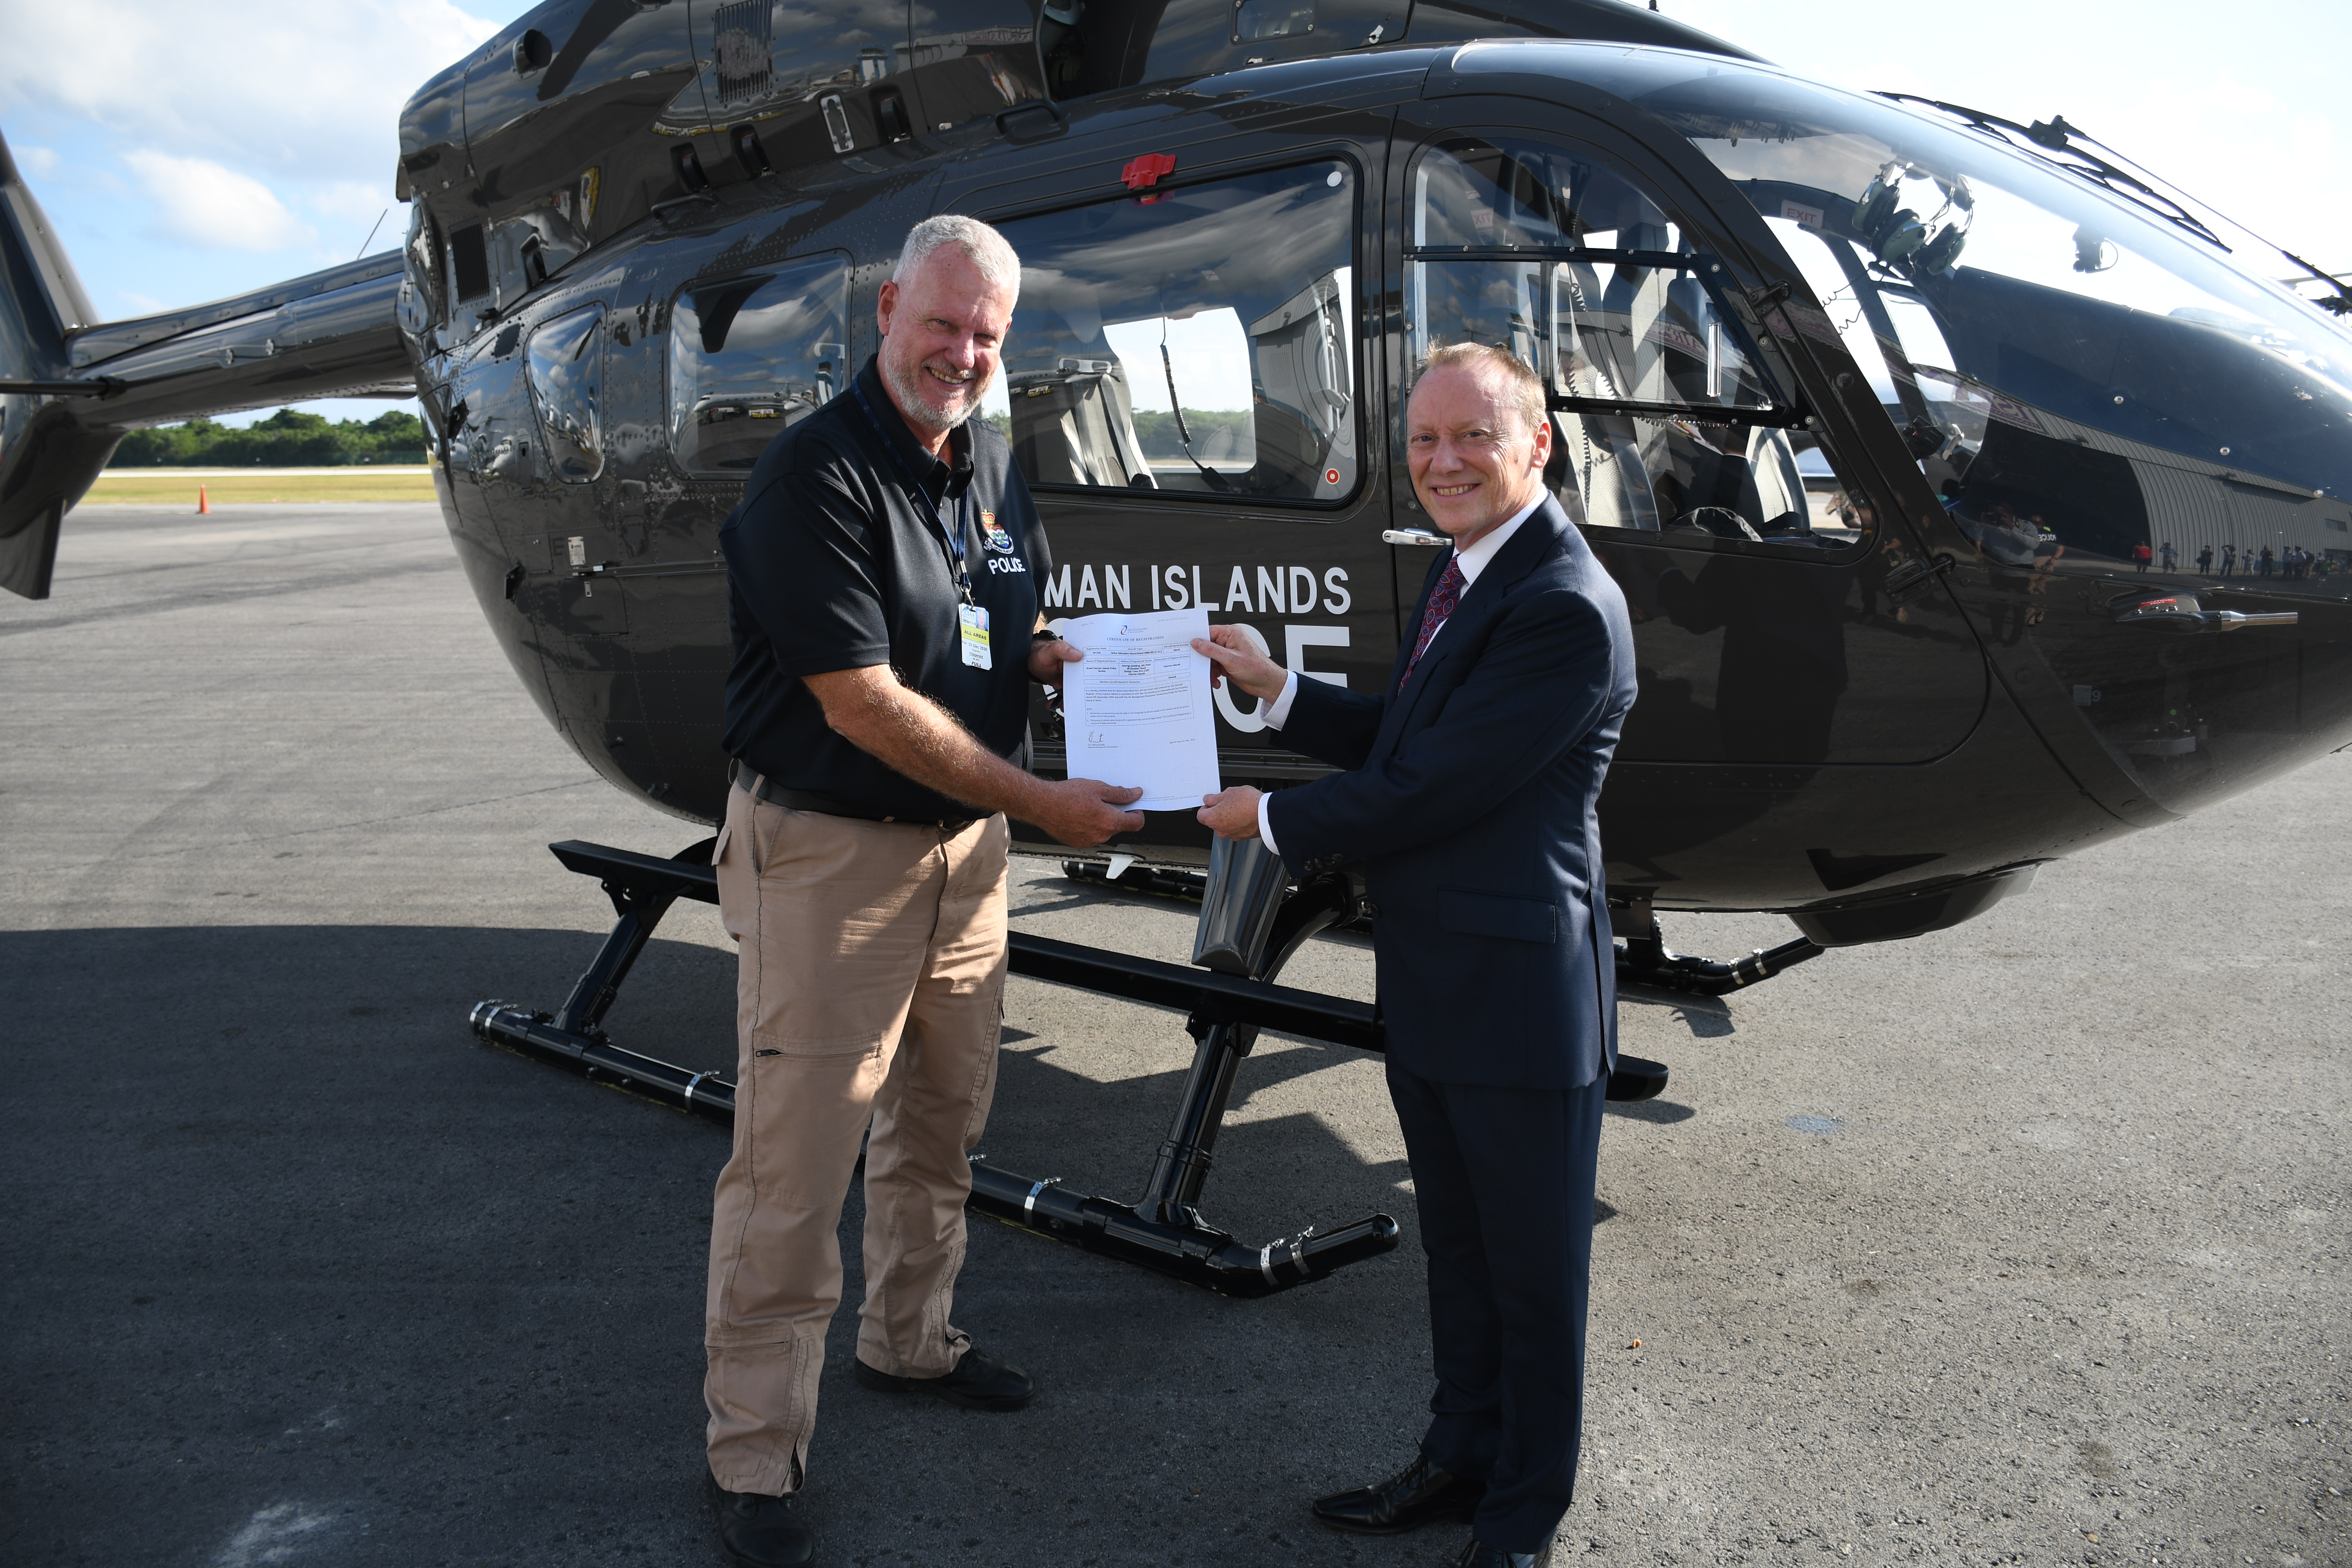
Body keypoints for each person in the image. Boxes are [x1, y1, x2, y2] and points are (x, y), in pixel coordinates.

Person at [704, 214, 1145, 1568]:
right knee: (796, 1166)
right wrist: (1046, 802)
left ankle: (910, 1339)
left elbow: (1001, 626)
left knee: (942, 1126)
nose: (962, 353)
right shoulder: (815, 474)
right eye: (942, 323)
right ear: (889, 307)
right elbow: (861, 702)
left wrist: (1075, 659)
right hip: (833, 858)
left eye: (986, 336)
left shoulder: (988, 461)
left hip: (967, 856)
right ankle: (754, 1454)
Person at [1192, 341, 1636, 1568]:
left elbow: (1432, 789)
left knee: (1533, 1282)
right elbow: (1412, 735)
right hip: (1444, 984)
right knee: (1462, 1255)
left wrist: (1270, 819)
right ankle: (1459, 1460)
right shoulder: (1473, 569)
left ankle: (1520, 1523)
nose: (1444, 462)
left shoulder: (1561, 603)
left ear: (1538, 443)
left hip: (1519, 1002)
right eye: (1426, 439)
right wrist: (1279, 689)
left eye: (1473, 436)